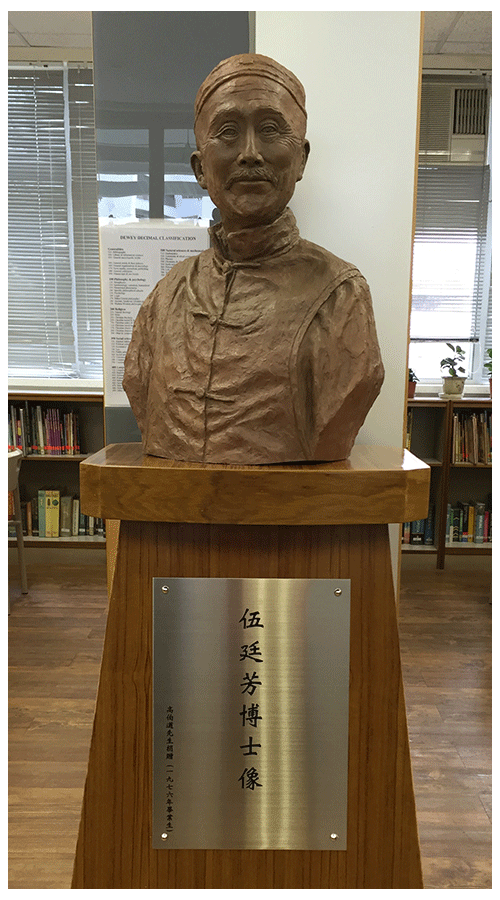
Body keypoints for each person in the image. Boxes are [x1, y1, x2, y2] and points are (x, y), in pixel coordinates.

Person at [123, 53, 384, 464]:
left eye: (270, 130)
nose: (249, 153)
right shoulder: (164, 298)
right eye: (227, 133)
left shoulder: (342, 297)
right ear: (200, 168)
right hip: (174, 516)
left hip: (298, 520)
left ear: (301, 158)